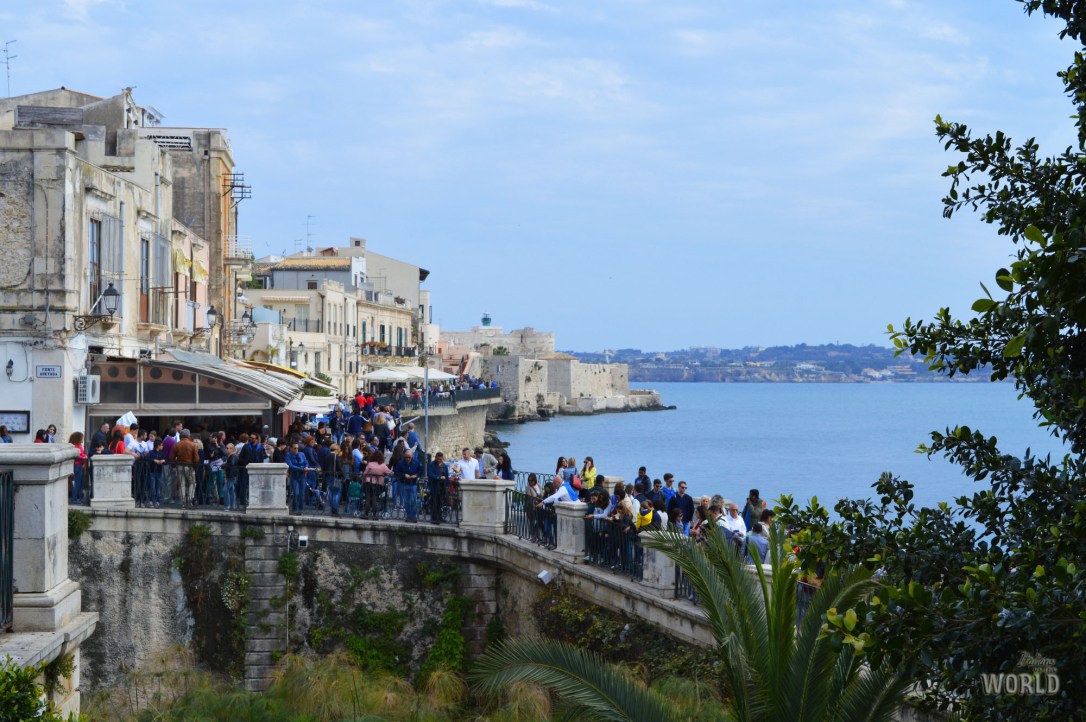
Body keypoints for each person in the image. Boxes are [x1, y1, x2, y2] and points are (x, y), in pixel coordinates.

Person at [171, 429, 200, 508]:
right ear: (188, 435)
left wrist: (177, 462)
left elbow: (171, 458)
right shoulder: (193, 445)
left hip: (179, 466)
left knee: (181, 484)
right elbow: (196, 459)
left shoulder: (176, 445)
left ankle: (183, 503)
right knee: (192, 483)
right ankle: (190, 500)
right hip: (189, 466)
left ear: (181, 436)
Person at [395, 449, 423, 522]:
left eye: (409, 457)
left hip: (413, 483)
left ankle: (413, 516)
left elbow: (420, 471)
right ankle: (408, 516)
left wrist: (416, 475)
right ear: (404, 456)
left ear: (412, 457)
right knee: (407, 501)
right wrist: (404, 475)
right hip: (404, 483)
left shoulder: (416, 462)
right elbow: (396, 472)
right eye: (406, 457)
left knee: (413, 501)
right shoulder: (401, 463)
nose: (407, 459)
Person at [362, 450, 391, 519]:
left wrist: (363, 480)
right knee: (375, 498)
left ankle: (366, 514)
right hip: (378, 484)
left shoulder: (370, 464)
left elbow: (364, 473)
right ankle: (374, 515)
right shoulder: (383, 465)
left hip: (368, 482)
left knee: (368, 498)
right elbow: (389, 472)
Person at [285, 441, 309, 514]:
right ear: (291, 449)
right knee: (296, 493)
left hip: (302, 476)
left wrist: (306, 467)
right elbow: (290, 465)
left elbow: (306, 462)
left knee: (302, 494)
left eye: (297, 448)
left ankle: (300, 509)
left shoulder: (302, 454)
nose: (296, 449)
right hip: (294, 475)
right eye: (295, 448)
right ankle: (295, 509)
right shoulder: (288, 455)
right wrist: (301, 468)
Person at [427, 451, 450, 524]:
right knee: (434, 502)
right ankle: (434, 519)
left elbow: (446, 475)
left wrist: (447, 486)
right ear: (435, 458)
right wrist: (439, 477)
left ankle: (439, 517)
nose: (439, 460)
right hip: (434, 486)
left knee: (440, 503)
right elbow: (430, 474)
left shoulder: (444, 466)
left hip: (442, 487)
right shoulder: (431, 465)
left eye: (440, 459)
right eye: (438, 459)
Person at [69, 432, 87, 504]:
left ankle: (79, 498)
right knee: (77, 483)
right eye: (82, 437)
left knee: (81, 483)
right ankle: (74, 499)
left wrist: (84, 456)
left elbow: (82, 453)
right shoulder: (75, 446)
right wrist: (83, 457)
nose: (83, 439)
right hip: (77, 465)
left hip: (80, 465)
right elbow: (76, 456)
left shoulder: (79, 445)